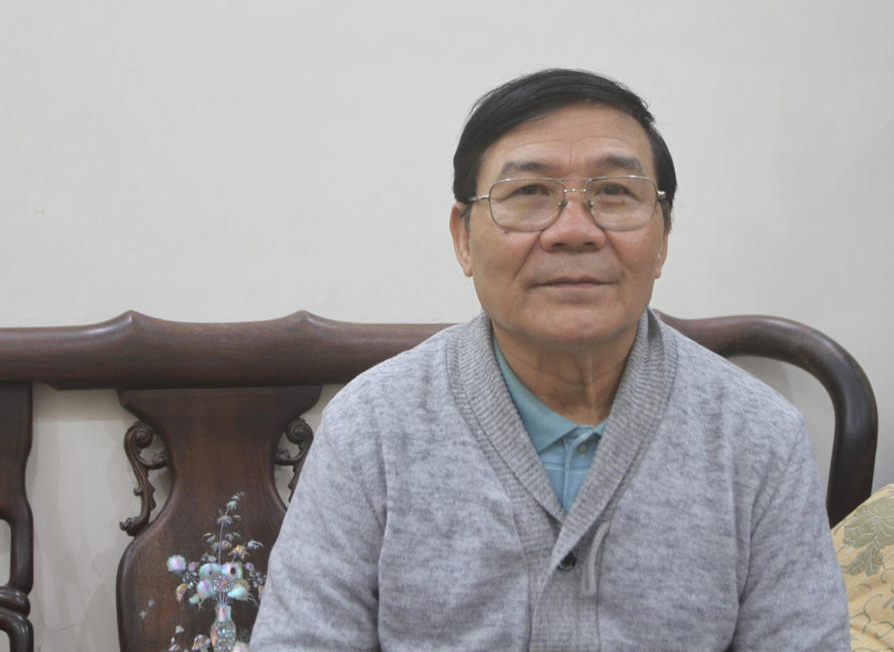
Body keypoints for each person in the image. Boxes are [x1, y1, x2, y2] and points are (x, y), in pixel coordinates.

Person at [251, 69, 849, 651]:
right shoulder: (372, 428)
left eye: (614, 192)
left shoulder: (759, 437)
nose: (574, 230)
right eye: (530, 193)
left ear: (663, 238)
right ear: (464, 238)